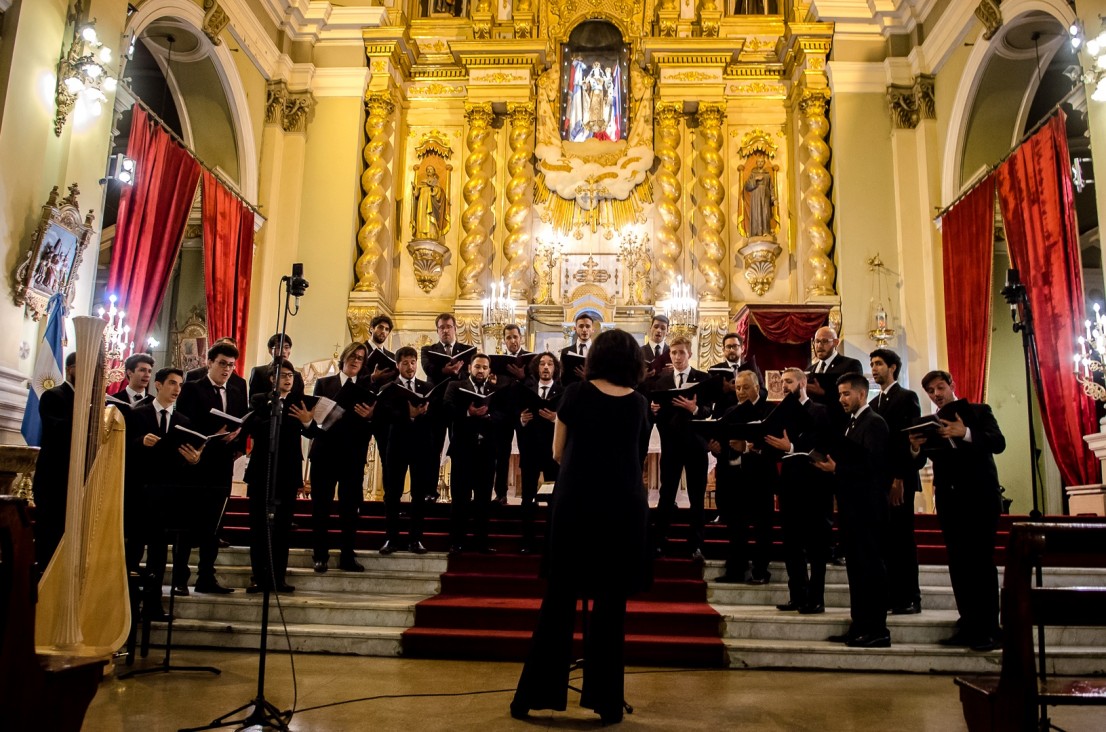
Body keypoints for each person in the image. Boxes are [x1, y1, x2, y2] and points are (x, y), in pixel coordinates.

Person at [511, 329, 651, 725]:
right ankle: (606, 701)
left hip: (577, 505)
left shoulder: (574, 394)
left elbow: (557, 452)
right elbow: (637, 457)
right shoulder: (640, 403)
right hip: (623, 508)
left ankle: (537, 695)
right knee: (611, 606)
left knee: (559, 600)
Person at [909, 370, 1006, 652]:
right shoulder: (933, 423)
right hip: (950, 502)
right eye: (930, 391)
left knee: (980, 563)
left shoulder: (978, 411)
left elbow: (998, 443)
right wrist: (915, 448)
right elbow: (919, 463)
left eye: (940, 387)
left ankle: (990, 628)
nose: (936, 394)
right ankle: (968, 624)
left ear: (952, 385)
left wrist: (963, 433)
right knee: (959, 564)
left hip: (980, 499)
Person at [815, 373, 892, 648]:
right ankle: (859, 626)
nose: (841, 399)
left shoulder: (874, 423)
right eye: (839, 394)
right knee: (857, 572)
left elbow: (875, 467)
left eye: (847, 394)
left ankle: (878, 630)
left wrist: (838, 469)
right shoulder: (852, 423)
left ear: (862, 394)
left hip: (868, 509)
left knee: (871, 569)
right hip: (851, 508)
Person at [125, 368, 204, 620]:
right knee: (133, 553)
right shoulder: (136, 415)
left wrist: (194, 461)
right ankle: (126, 608)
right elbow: (121, 452)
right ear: (158, 385)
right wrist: (139, 443)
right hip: (139, 495)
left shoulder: (184, 421)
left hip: (166, 498)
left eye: (180, 384)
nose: (177, 389)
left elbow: (183, 462)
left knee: (159, 555)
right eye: (171, 383)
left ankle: (153, 606)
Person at [173, 341, 249, 596]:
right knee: (186, 523)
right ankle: (180, 578)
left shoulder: (237, 391)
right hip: (195, 463)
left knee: (213, 526)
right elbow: (183, 422)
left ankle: (206, 576)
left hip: (221, 464)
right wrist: (209, 434)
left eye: (231, 365)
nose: (227, 369)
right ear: (210, 363)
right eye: (222, 364)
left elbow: (240, 424)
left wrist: (236, 437)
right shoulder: (193, 389)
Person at [764, 368, 833, 613]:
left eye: (789, 381)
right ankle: (797, 596)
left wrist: (791, 445)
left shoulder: (820, 410)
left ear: (802, 382)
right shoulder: (780, 411)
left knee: (815, 546)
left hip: (814, 485)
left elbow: (820, 442)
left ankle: (816, 598)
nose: (784, 385)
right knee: (792, 545)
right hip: (789, 485)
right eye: (782, 381)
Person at [244, 359, 313, 593]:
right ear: (272, 378)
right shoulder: (260, 400)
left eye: (291, 375)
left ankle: (278, 577)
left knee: (282, 528)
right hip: (262, 468)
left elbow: (313, 431)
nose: (288, 379)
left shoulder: (298, 403)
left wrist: (308, 421)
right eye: (283, 375)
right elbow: (253, 427)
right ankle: (258, 576)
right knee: (259, 526)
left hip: (287, 471)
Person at [307, 343, 374, 574]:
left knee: (349, 509)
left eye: (360, 358)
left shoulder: (367, 389)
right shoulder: (325, 383)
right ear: (344, 358)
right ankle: (320, 555)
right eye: (353, 356)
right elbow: (314, 421)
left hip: (352, 456)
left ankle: (347, 555)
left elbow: (371, 428)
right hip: (325, 453)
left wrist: (369, 418)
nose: (356, 361)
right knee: (321, 507)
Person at [869, 348, 925, 615]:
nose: (874, 368)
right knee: (887, 541)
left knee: (903, 539)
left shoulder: (906, 397)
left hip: (900, 479)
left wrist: (900, 478)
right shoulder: (873, 403)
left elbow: (909, 439)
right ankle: (893, 595)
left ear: (893, 367)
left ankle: (910, 597)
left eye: (878, 363)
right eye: (872, 364)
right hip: (880, 481)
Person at [710, 370, 777, 584]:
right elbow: (720, 442)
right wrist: (715, 448)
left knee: (761, 527)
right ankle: (736, 570)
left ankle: (760, 571)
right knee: (735, 527)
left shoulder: (769, 411)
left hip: (758, 479)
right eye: (737, 387)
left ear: (757, 387)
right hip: (731, 478)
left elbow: (774, 445)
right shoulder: (729, 411)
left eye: (745, 387)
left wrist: (747, 447)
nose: (740, 392)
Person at [649, 335, 712, 558]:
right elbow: (657, 416)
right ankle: (659, 541)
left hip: (695, 445)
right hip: (672, 445)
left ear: (690, 354)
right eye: (673, 353)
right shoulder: (662, 382)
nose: (676, 357)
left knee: (697, 496)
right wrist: (654, 412)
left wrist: (694, 408)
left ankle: (696, 544)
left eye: (681, 353)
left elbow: (708, 412)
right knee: (666, 494)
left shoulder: (702, 379)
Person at [444, 354, 504, 554]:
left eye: (485, 367)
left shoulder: (495, 390)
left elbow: (503, 415)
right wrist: (468, 413)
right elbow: (447, 410)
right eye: (477, 366)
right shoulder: (455, 386)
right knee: (460, 498)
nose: (481, 370)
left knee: (483, 499)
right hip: (462, 450)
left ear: (489, 370)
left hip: (486, 451)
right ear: (470, 368)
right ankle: (457, 542)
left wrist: (489, 415)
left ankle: (481, 542)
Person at [378, 346, 434, 554]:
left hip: (421, 447)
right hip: (396, 446)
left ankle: (415, 539)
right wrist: (408, 415)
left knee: (419, 495)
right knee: (392, 494)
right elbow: (382, 419)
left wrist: (424, 413)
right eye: (405, 363)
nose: (410, 367)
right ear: (397, 365)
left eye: (412, 362)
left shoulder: (426, 386)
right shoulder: (388, 389)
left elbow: (435, 419)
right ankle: (391, 538)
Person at [32, 351, 76, 571]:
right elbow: (57, 430)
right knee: (50, 533)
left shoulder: (92, 400)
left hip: (75, 478)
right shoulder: (54, 396)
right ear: (70, 369)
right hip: (54, 477)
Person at [515, 352, 563, 552]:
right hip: (530, 451)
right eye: (542, 364)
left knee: (554, 499)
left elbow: (571, 421)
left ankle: (552, 541)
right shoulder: (525, 390)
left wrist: (555, 419)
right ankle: (527, 541)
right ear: (536, 368)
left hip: (553, 454)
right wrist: (521, 420)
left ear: (555, 369)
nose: (545, 367)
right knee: (528, 498)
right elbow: (512, 416)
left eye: (550, 364)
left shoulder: (564, 391)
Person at [421, 313, 468, 502]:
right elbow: (427, 369)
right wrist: (445, 371)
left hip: (458, 405)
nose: (446, 330)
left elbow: (470, 372)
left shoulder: (466, 350)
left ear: (455, 328)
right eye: (442, 327)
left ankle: (460, 492)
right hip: (436, 406)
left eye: (449, 326)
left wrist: (458, 373)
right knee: (433, 448)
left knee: (460, 449)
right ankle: (430, 491)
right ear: (437, 331)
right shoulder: (428, 350)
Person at [492, 323, 531, 505]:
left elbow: (535, 385)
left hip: (523, 412)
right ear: (504, 340)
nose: (513, 341)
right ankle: (501, 494)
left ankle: (528, 495)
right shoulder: (497, 361)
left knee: (528, 453)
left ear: (521, 338)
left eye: (515, 337)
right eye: (508, 337)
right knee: (501, 455)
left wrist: (523, 376)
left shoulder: (531, 360)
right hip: (502, 413)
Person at [805, 326, 862, 427]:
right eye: (817, 341)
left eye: (824, 341)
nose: (819, 345)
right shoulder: (809, 370)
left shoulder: (850, 364)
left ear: (836, 342)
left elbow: (854, 396)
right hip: (814, 426)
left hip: (838, 425)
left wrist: (823, 393)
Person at [709, 332, 762, 417]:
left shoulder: (752, 367)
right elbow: (709, 398)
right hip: (723, 414)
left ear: (742, 348)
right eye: (728, 347)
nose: (731, 350)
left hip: (750, 412)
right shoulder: (714, 370)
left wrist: (750, 389)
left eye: (735, 346)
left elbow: (763, 392)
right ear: (723, 350)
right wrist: (724, 389)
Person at [248, 333, 305, 399]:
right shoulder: (258, 372)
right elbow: (252, 399)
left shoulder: (297, 376)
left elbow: (301, 401)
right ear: (270, 350)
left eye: (287, 347)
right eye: (278, 347)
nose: (283, 351)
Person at [743, 152, 776, 238]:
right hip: (756, 197)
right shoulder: (753, 174)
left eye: (762, 162)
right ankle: (756, 233)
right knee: (757, 213)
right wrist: (755, 179)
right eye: (759, 162)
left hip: (765, 197)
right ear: (756, 163)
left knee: (765, 213)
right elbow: (747, 186)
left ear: (764, 163)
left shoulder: (767, 174)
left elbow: (771, 187)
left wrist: (773, 198)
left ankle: (766, 231)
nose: (760, 163)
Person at [411, 166, 448, 240]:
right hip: (422, 202)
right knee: (421, 216)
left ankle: (431, 233)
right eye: (427, 169)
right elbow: (416, 194)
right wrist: (415, 189)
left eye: (431, 169)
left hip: (430, 203)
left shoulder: (435, 182)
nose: (429, 170)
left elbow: (438, 192)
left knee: (429, 217)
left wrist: (432, 188)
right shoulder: (422, 181)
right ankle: (420, 234)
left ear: (434, 171)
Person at [559, 312, 595, 386]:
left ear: (592, 329)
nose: (584, 329)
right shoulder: (565, 352)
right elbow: (562, 377)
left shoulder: (599, 352)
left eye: (588, 326)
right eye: (581, 326)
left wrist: (587, 377)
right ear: (575, 328)